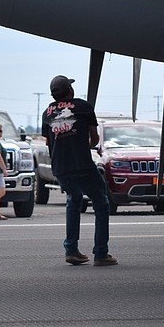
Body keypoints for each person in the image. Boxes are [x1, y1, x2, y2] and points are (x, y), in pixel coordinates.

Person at [42, 75, 116, 266]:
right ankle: (101, 253)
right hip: (81, 165)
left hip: (60, 168)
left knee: (73, 201)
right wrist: (86, 144)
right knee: (101, 202)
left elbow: (48, 141)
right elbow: (94, 138)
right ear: (70, 90)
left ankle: (71, 250)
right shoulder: (83, 107)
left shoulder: (47, 113)